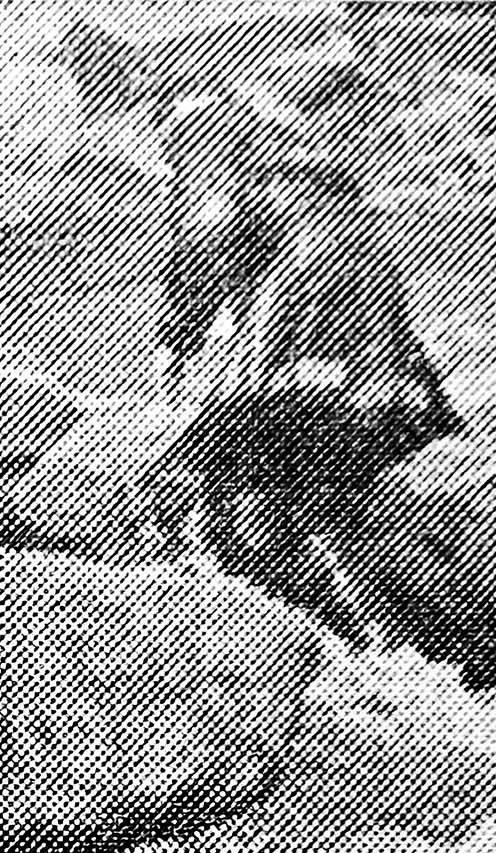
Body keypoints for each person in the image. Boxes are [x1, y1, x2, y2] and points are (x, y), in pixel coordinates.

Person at [149, 90, 464, 637]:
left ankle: (337, 639)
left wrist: (185, 371)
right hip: (369, 404)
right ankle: (358, 635)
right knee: (311, 517)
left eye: (190, 157)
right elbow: (197, 304)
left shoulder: (284, 210)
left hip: (324, 402)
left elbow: (221, 308)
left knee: (198, 497)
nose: (181, 173)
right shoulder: (316, 203)